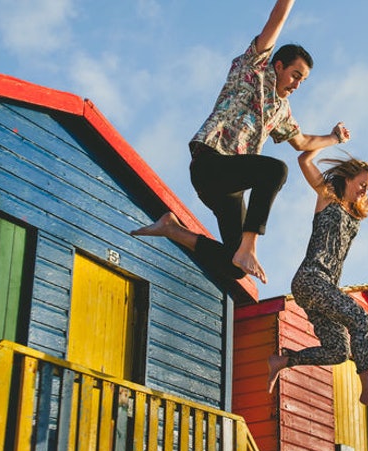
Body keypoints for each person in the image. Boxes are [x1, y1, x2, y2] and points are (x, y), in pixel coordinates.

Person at [131, 0, 350, 284]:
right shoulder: (254, 68)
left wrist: (334, 137)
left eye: (302, 81)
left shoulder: (282, 110)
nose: (297, 84)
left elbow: (302, 141)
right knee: (275, 170)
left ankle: (172, 229)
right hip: (210, 161)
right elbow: (277, 18)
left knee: (236, 266)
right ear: (279, 66)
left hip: (227, 188)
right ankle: (250, 245)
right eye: (295, 75)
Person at [267, 133, 368, 417]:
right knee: (361, 319)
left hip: (324, 288)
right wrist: (333, 138)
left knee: (339, 351)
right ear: (348, 179)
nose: (365, 191)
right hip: (310, 279)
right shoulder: (327, 194)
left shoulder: (359, 210)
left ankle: (283, 361)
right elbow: (304, 159)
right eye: (362, 185)